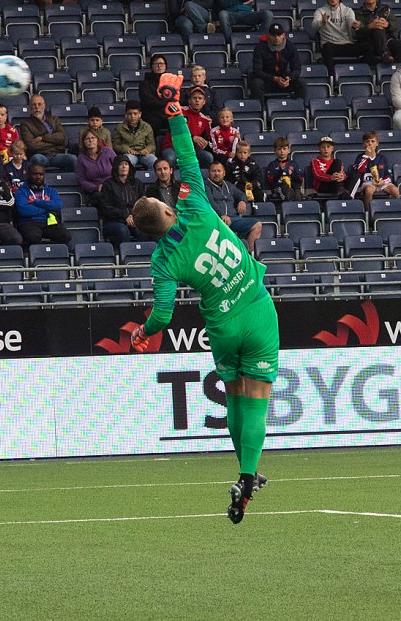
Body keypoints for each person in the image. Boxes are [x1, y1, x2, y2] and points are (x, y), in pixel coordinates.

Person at [131, 73, 278, 525]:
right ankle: (247, 473)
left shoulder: (162, 260)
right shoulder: (193, 204)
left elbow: (162, 314)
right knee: (256, 397)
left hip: (221, 325)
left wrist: (144, 332)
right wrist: (174, 109)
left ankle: (246, 473)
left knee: (235, 395)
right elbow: (187, 154)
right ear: (169, 209)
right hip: (255, 307)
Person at [205, 160, 263, 246]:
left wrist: (242, 201)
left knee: (257, 225)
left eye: (219, 171)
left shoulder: (229, 185)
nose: (216, 173)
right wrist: (222, 215)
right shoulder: (205, 186)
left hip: (234, 219)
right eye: (213, 171)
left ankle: (249, 255)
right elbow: (210, 202)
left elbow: (241, 194)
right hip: (217, 220)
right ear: (208, 173)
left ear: (224, 173)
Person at [14, 164, 72, 247]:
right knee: (33, 237)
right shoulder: (21, 192)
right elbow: (23, 210)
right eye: (35, 174)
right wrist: (47, 209)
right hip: (29, 222)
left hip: (49, 222)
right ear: (29, 175)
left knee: (65, 236)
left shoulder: (51, 191)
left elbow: (58, 205)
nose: (38, 177)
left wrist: (36, 202)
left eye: (41, 174)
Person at [99, 158, 152, 245]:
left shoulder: (137, 183)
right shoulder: (108, 184)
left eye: (126, 164)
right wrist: (125, 216)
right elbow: (106, 207)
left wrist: (135, 217)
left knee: (143, 230)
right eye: (121, 164)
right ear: (116, 167)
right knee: (123, 230)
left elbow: (143, 203)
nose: (124, 167)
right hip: (114, 221)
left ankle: (142, 256)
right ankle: (125, 256)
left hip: (135, 219)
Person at [19, 95, 77, 172]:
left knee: (73, 159)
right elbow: (31, 145)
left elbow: (62, 138)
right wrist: (55, 143)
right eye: (34, 104)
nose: (37, 107)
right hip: (40, 155)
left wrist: (43, 138)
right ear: (30, 107)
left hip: (57, 155)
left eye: (39, 104)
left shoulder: (54, 119)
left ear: (44, 105)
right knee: (37, 159)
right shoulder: (25, 123)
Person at [250, 23, 307, 101]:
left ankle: (302, 108)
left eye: (279, 35)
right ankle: (259, 109)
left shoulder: (291, 46)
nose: (276, 38)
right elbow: (257, 71)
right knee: (256, 83)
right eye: (273, 35)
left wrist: (289, 78)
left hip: (283, 79)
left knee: (301, 83)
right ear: (269, 35)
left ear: (283, 35)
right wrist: (274, 79)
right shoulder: (260, 47)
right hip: (267, 80)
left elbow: (297, 68)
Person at [161, 87, 215, 168]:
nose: (197, 100)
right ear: (189, 100)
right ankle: (173, 180)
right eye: (194, 98)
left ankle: (199, 179)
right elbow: (173, 128)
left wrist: (204, 143)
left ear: (204, 102)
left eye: (200, 98)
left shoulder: (205, 120)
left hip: (191, 151)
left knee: (208, 157)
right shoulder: (179, 111)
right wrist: (192, 137)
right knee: (170, 158)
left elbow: (208, 139)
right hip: (172, 147)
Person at [349, 131, 400, 213]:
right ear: (363, 144)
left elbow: (388, 174)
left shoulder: (382, 158)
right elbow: (358, 170)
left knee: (395, 190)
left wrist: (383, 181)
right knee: (369, 190)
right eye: (367, 141)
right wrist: (366, 156)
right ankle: (368, 213)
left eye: (372, 141)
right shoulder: (360, 157)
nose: (370, 144)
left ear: (377, 143)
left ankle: (392, 211)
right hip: (367, 183)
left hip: (381, 182)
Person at [312, 0, 367, 73]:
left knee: (368, 47)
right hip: (330, 45)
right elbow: (314, 25)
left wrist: (354, 25)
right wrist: (322, 22)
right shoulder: (320, 11)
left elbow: (351, 21)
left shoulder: (348, 10)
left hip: (347, 44)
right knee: (327, 48)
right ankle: (332, 77)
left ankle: (363, 72)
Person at [112, 101, 157, 170]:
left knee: (154, 161)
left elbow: (152, 145)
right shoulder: (119, 128)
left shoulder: (147, 127)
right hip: (129, 154)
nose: (132, 116)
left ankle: (152, 180)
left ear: (140, 114)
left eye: (135, 114)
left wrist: (147, 150)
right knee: (125, 163)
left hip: (144, 154)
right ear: (126, 115)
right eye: (130, 114)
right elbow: (115, 145)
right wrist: (126, 149)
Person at [75, 131, 116, 202]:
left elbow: (118, 168)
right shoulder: (81, 158)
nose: (90, 140)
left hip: (113, 186)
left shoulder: (108, 151)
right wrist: (96, 187)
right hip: (96, 191)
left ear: (97, 140)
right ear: (83, 142)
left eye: (93, 138)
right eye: (87, 139)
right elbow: (82, 180)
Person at [265, 137, 304, 202]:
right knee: (284, 186)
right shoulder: (272, 164)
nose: (282, 151)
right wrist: (280, 171)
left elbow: (300, 179)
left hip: (293, 186)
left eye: (284, 149)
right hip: (278, 187)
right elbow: (270, 180)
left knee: (297, 190)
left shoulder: (293, 164)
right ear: (275, 151)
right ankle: (289, 197)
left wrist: (292, 174)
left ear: (289, 150)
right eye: (279, 149)